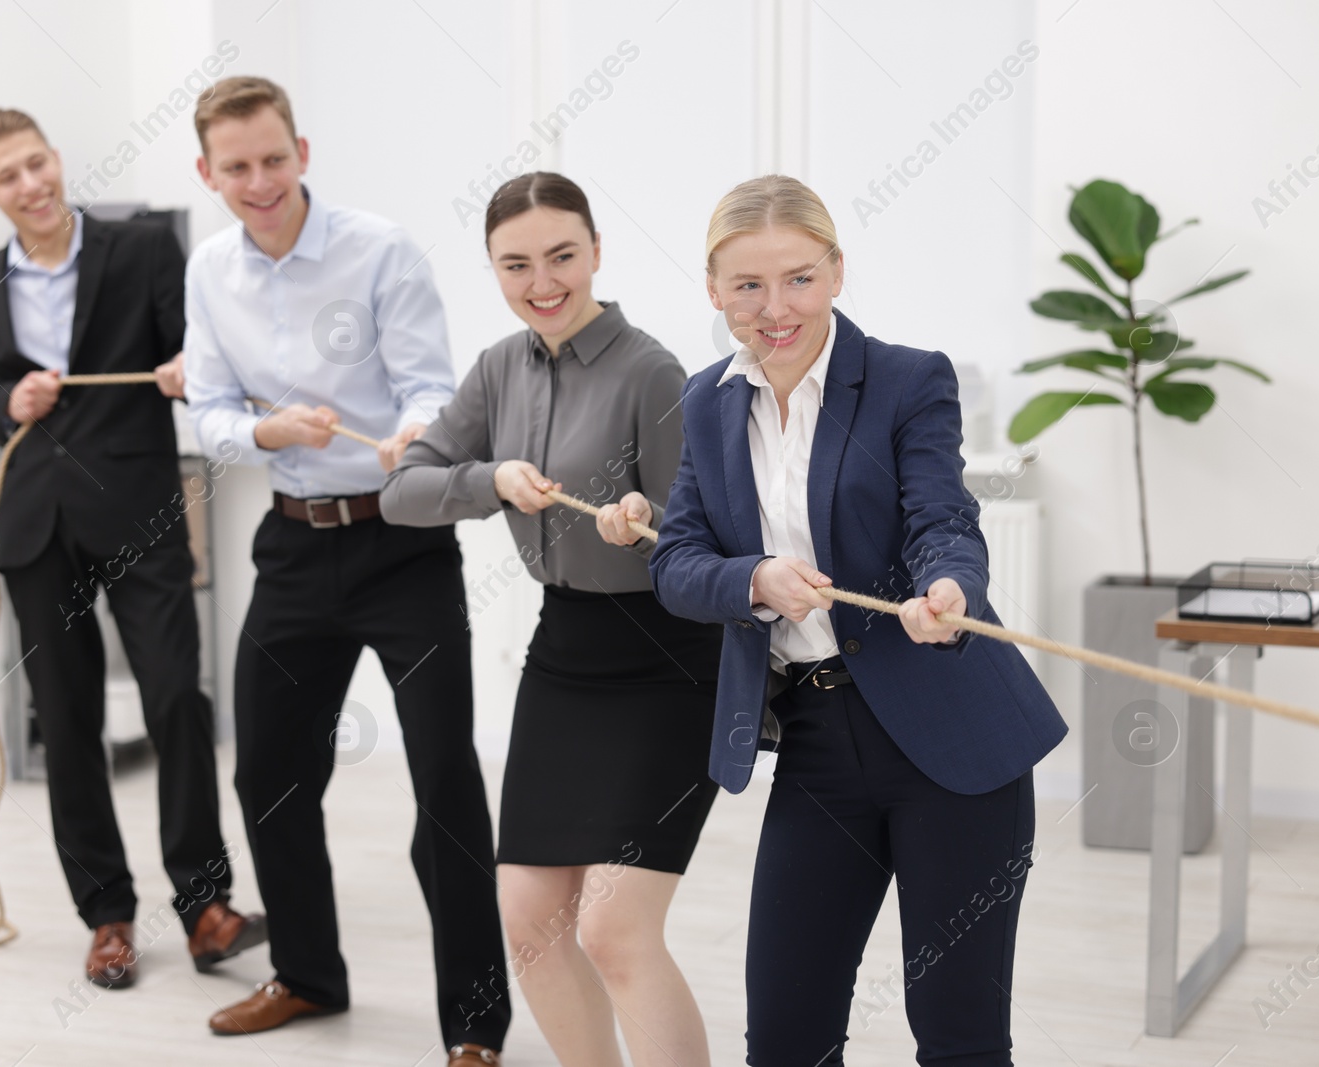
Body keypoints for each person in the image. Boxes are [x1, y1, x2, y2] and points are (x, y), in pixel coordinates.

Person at [649, 175, 1069, 1065]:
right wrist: (754, 576)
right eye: (748, 285)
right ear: (714, 288)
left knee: (959, 1036)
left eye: (798, 278)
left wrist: (950, 590)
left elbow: (942, 520)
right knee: (787, 1039)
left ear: (837, 271)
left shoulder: (908, 379)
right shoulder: (706, 401)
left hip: (951, 737)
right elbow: (677, 564)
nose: (775, 309)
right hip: (817, 741)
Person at [182, 77, 510, 1064]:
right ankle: (311, 976)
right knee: (271, 777)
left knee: (446, 780)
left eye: (273, 158)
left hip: (399, 545)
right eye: (236, 166)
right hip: (289, 547)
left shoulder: (381, 248)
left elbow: (428, 391)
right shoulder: (206, 271)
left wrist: (408, 438)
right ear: (208, 174)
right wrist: (261, 430)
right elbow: (203, 410)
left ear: (302, 151)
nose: (259, 180)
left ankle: (475, 1021)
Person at [381, 172, 721, 1067]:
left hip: (665, 659)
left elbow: (701, 545)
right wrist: (488, 481)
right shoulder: (498, 367)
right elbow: (401, 492)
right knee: (529, 918)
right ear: (493, 268)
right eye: (516, 263)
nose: (543, 280)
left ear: (597, 252)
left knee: (613, 929)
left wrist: (639, 528)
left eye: (562, 256)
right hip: (563, 654)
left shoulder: (651, 370)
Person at [0, 109, 264, 990]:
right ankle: (108, 918)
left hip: (142, 515)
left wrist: (185, 370)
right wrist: (4, 405)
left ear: (57, 158)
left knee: (176, 703)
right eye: (8, 177)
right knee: (69, 723)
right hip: (36, 532)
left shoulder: (146, 251)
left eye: (38, 163)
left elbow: (196, 354)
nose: (32, 185)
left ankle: (206, 905)